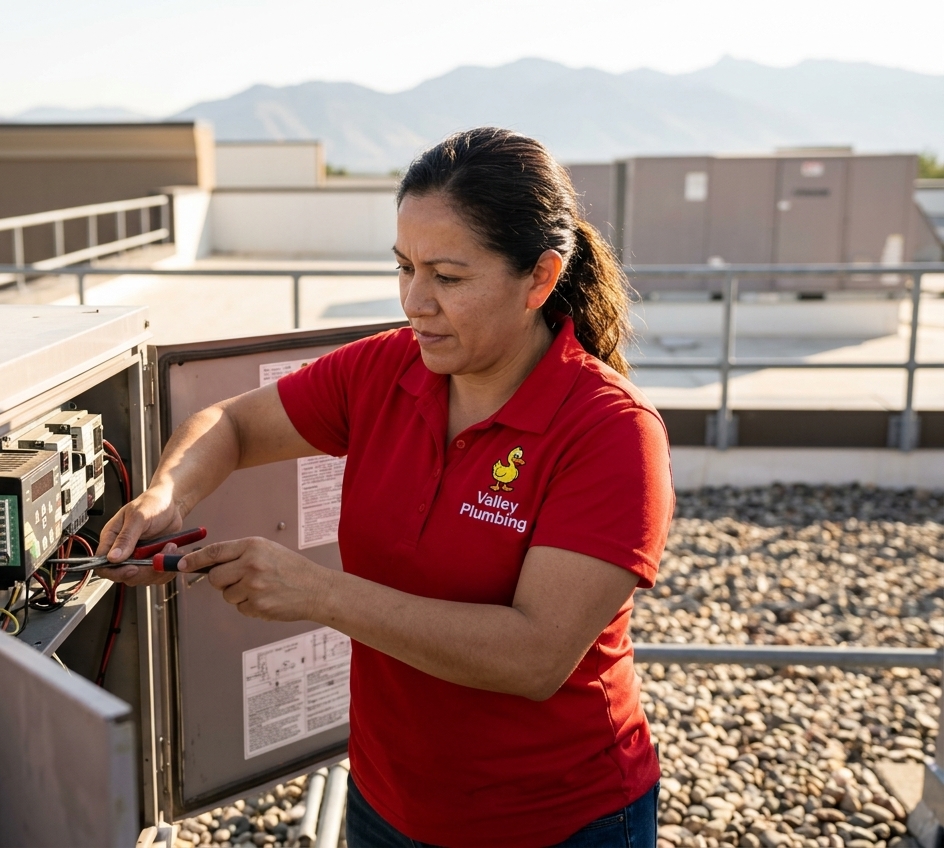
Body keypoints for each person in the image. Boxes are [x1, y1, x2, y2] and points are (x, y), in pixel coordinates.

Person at [99, 127, 674, 847]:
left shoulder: (610, 432)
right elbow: (232, 426)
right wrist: (166, 497)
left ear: (541, 278)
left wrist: (319, 593)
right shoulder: (386, 371)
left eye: (448, 277)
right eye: (403, 267)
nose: (414, 301)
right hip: (387, 802)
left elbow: (533, 657)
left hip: (557, 822)